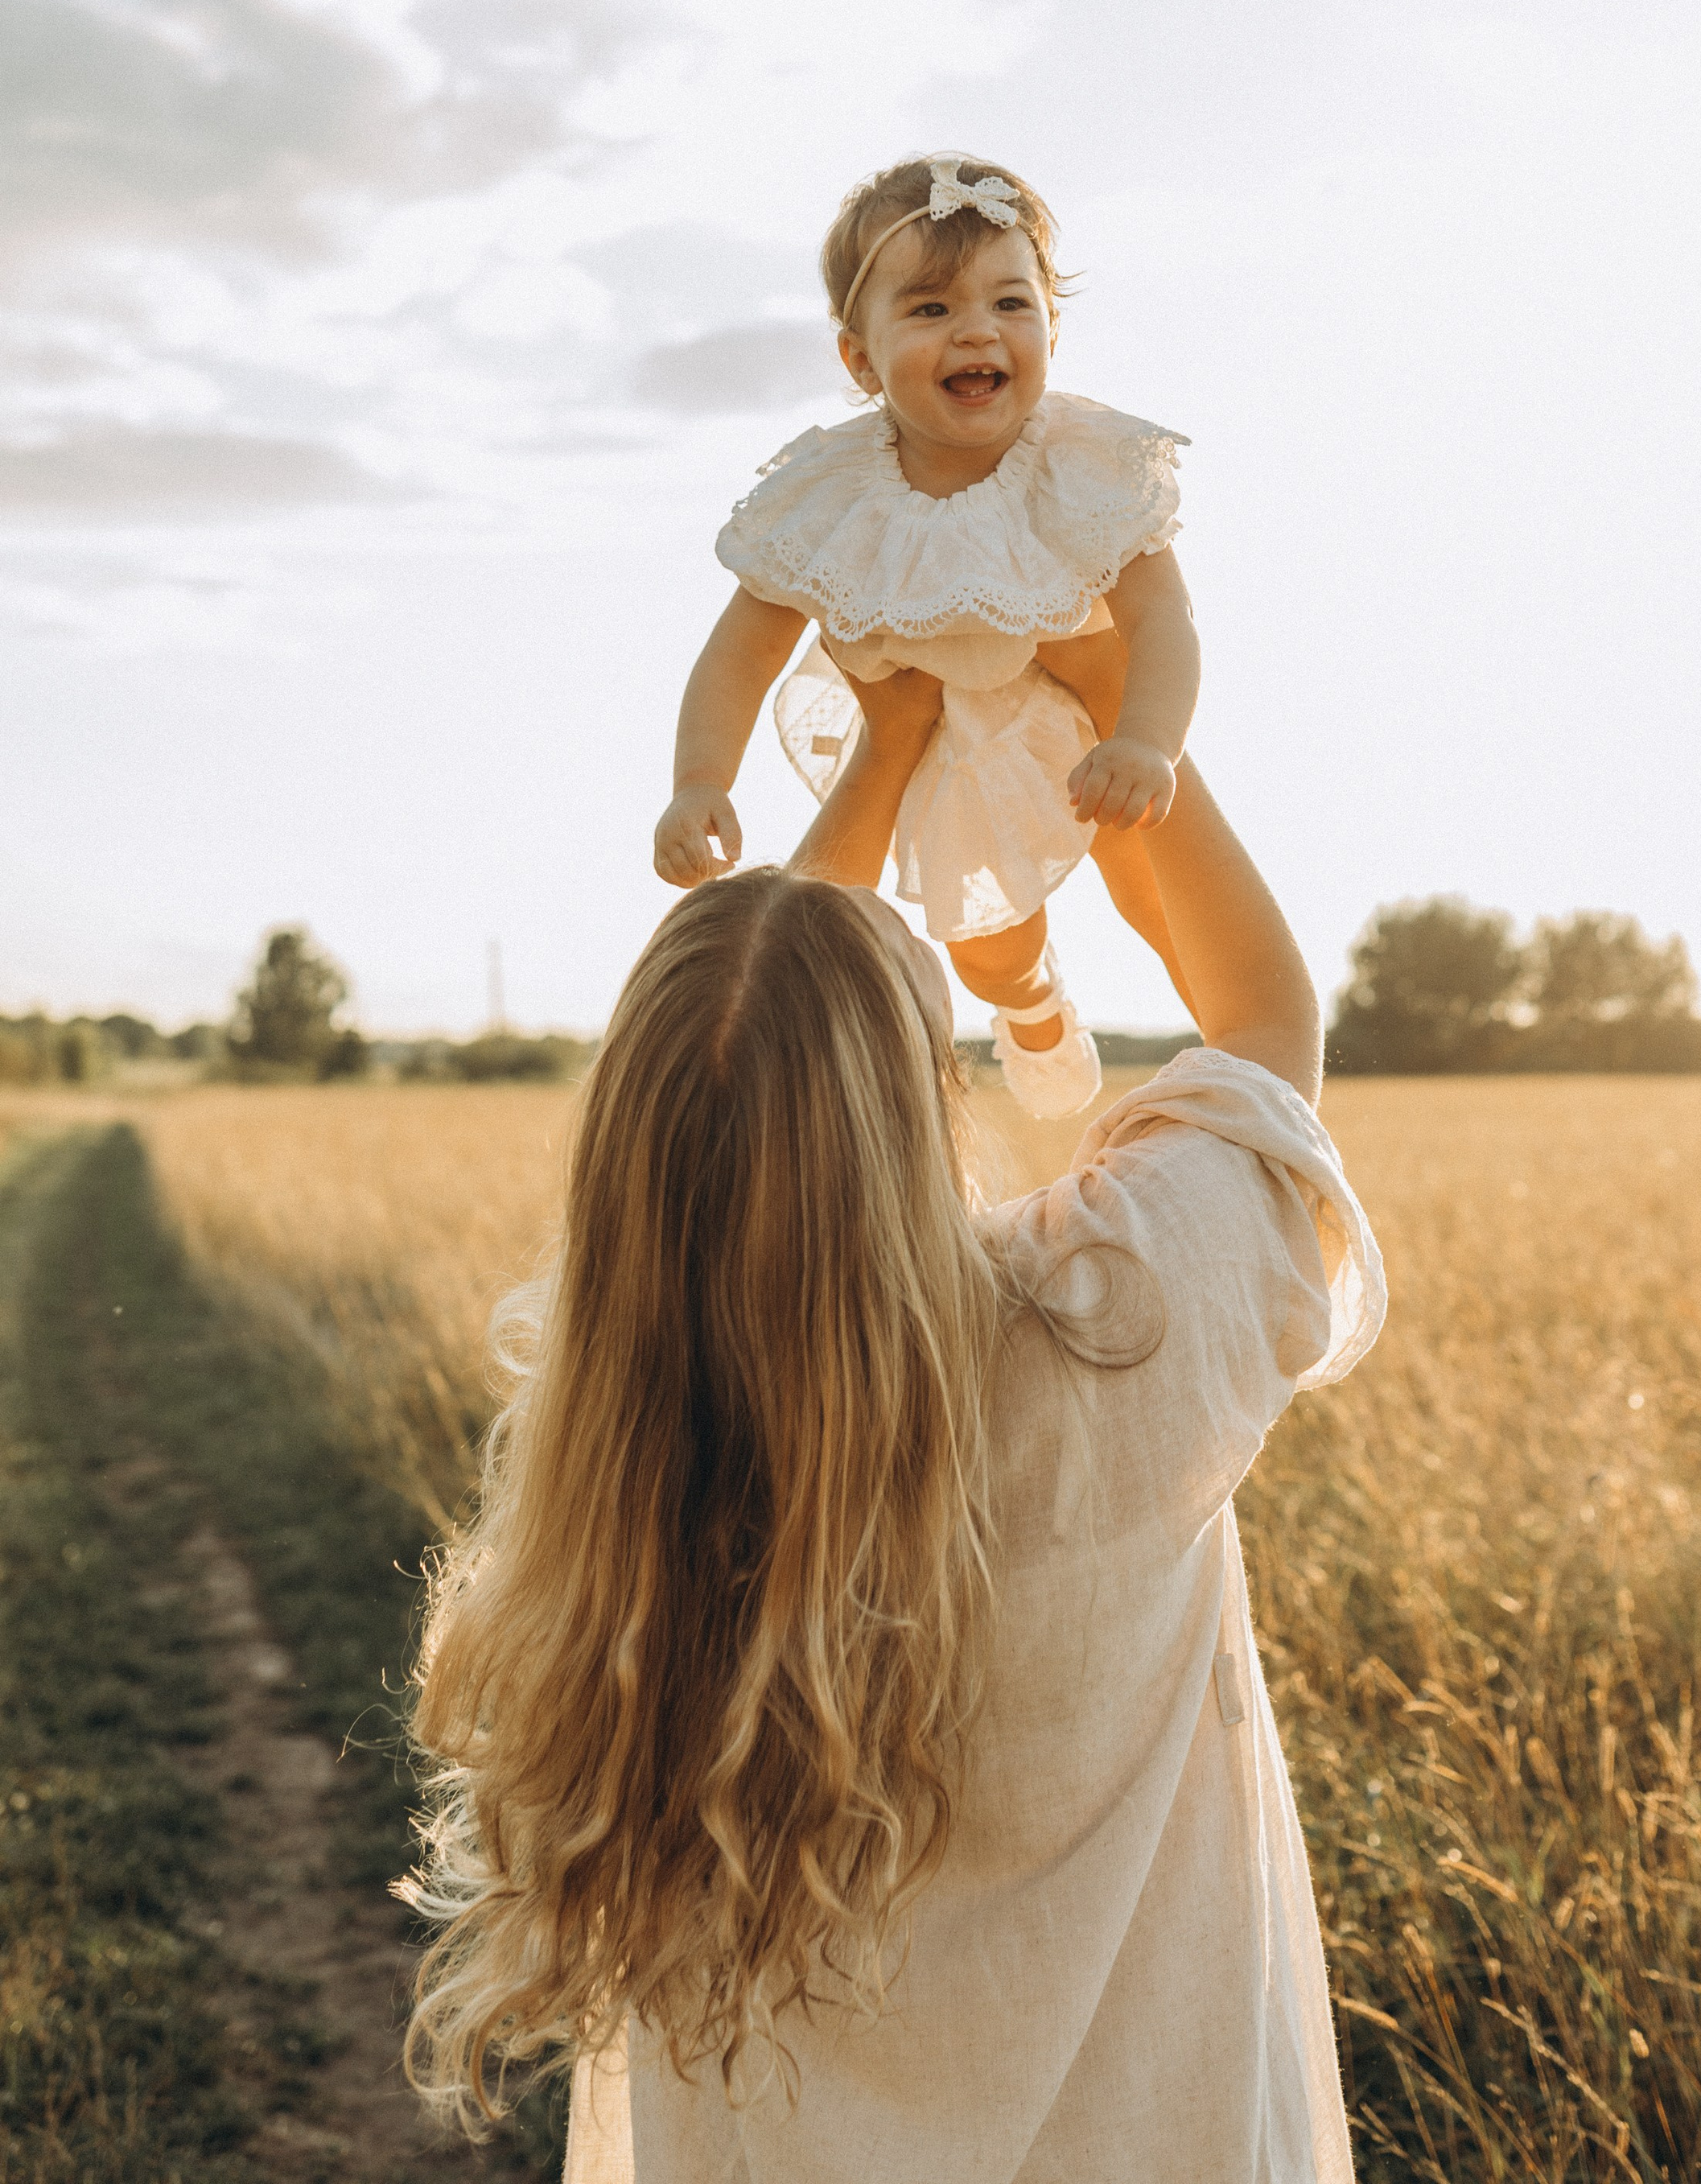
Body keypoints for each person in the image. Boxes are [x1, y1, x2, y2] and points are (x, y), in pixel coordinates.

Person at [405, 671, 1386, 2183]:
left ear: (621, 1157)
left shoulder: (631, 1440)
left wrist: (894, 743)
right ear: (926, 1100)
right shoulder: (1114, 1325)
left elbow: (757, 1051)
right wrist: (1100, 694)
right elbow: (1265, 1024)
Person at [652, 154, 1201, 1118]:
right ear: (859, 359)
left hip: (1095, 728)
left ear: (1051, 327)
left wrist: (1148, 741)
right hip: (948, 746)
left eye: (1009, 303)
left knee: (1165, 896)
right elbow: (742, 649)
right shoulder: (829, 494)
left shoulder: (1081, 466)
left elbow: (1166, 619)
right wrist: (700, 781)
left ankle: (1234, 1057)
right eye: (931, 309)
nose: (978, 330)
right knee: (989, 941)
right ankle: (1032, 1007)